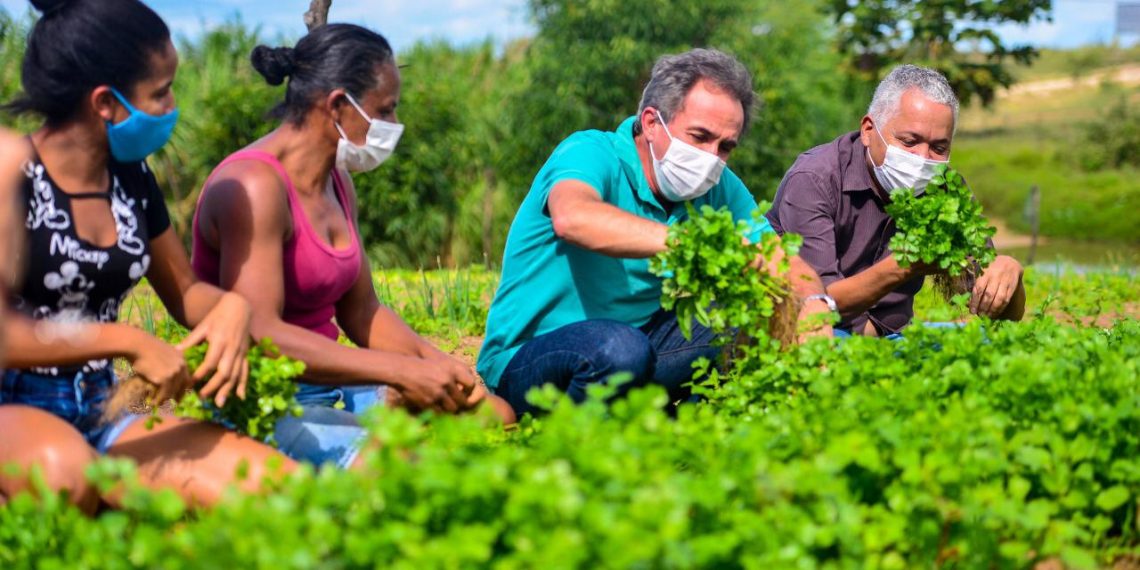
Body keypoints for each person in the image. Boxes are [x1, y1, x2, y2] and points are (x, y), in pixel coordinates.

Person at [0, 0, 293, 510]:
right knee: (68, 480)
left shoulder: (131, 179)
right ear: (105, 103)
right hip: (13, 402)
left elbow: (185, 293)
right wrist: (128, 340)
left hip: (107, 400)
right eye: (161, 92)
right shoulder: (11, 176)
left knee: (273, 485)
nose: (173, 105)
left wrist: (230, 306)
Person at [192, 23, 513, 469]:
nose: (394, 126)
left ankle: (375, 431)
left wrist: (441, 367)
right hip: (266, 399)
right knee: (402, 463)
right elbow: (260, 332)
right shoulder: (253, 186)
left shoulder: (337, 182)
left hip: (336, 383)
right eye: (386, 111)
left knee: (495, 415)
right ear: (339, 105)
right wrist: (398, 372)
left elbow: (361, 312)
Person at [478, 49, 835, 417]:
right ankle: (586, 442)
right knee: (616, 349)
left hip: (641, 349)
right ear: (651, 122)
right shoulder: (590, 152)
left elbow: (782, 260)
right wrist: (692, 242)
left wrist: (812, 305)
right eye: (699, 136)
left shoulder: (719, 186)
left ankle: (698, 425)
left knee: (753, 310)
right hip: (530, 359)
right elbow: (574, 218)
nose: (712, 157)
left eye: (725, 146)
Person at [765, 64, 1026, 338]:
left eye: (939, 148)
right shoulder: (816, 178)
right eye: (909, 141)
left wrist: (1010, 273)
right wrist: (904, 266)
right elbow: (816, 304)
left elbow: (1002, 319)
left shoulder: (946, 190)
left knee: (989, 344)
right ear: (868, 130)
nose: (923, 157)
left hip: (897, 338)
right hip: (819, 334)